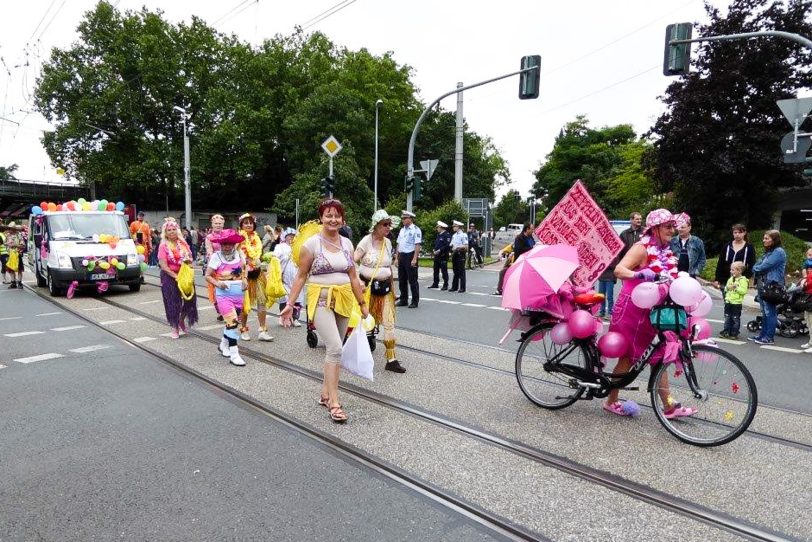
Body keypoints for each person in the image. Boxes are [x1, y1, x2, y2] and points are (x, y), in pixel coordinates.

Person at [280, 199, 370, 423]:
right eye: (328, 215)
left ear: (343, 219)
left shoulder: (347, 244)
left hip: (345, 298)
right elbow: (301, 276)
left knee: (335, 351)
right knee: (335, 348)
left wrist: (362, 303)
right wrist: (289, 305)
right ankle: (335, 402)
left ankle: (325, 394)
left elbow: (352, 275)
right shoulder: (311, 244)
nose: (333, 219)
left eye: (337, 215)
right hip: (320, 299)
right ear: (321, 218)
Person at [603, 209, 696, 419]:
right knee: (628, 357)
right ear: (654, 229)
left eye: (673, 226)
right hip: (631, 309)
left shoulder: (664, 250)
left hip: (652, 309)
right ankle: (611, 401)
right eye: (667, 226)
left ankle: (669, 406)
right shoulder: (642, 247)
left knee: (660, 353)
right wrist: (639, 273)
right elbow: (619, 270)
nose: (672, 230)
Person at [355, 210, 406, 373]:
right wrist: (359, 280)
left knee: (389, 324)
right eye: (385, 224)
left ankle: (391, 360)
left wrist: (393, 289)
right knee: (363, 323)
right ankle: (358, 355)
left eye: (389, 224)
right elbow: (351, 262)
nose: (388, 227)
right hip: (367, 290)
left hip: (385, 290)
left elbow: (388, 268)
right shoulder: (366, 241)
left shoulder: (388, 242)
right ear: (376, 225)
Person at [205, 229, 249, 366]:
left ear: (234, 244)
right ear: (220, 244)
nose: (227, 246)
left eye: (230, 244)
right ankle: (234, 354)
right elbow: (207, 275)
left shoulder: (239, 254)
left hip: (239, 295)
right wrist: (218, 283)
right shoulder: (216, 257)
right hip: (224, 295)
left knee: (232, 323)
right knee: (232, 323)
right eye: (224, 244)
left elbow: (244, 269)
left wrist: (245, 279)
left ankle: (223, 345)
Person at [157, 219, 198, 338]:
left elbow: (190, 259)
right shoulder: (163, 246)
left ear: (177, 230)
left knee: (190, 301)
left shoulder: (183, 244)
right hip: (170, 276)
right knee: (173, 303)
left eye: (173, 229)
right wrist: (176, 276)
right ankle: (175, 327)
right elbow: (163, 266)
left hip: (184, 275)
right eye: (169, 230)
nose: (171, 232)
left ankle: (181, 320)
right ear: (165, 232)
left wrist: (189, 264)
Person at [238, 213, 273, 342]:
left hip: (258, 272)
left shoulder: (257, 238)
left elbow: (258, 255)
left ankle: (263, 330)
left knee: (262, 302)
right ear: (241, 225)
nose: (248, 225)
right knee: (244, 305)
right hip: (244, 274)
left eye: (250, 223)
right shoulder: (238, 238)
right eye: (245, 223)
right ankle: (244, 330)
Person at [749, 230, 787, 346]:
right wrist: (757, 267)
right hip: (763, 285)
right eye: (764, 238)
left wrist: (757, 268)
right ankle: (762, 335)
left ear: (774, 239)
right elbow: (757, 265)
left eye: (767, 238)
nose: (764, 240)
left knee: (770, 312)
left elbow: (764, 266)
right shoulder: (768, 252)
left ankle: (769, 337)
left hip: (772, 285)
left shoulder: (779, 252)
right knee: (765, 312)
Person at [713, 224, 756, 298]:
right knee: (727, 301)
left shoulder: (749, 248)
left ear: (744, 233)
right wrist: (717, 279)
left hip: (740, 281)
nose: (737, 235)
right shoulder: (727, 246)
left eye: (740, 232)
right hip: (725, 280)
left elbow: (752, 264)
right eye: (735, 232)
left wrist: (746, 277)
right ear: (733, 233)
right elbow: (720, 263)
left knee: (736, 303)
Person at [274, 227, 304, 327]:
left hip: (297, 274)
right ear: (285, 237)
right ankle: (284, 317)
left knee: (298, 297)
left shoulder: (299, 247)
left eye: (293, 236)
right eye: (289, 236)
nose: (291, 238)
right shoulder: (280, 246)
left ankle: (295, 318)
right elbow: (275, 258)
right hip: (284, 275)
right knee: (285, 298)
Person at [396, 210, 421, 308]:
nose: (402, 220)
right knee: (402, 279)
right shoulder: (402, 230)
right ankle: (403, 299)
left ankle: (415, 301)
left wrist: (414, 258)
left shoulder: (415, 229)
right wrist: (396, 258)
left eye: (404, 218)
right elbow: (398, 244)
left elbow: (417, 245)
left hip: (410, 255)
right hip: (402, 255)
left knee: (412, 279)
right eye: (402, 218)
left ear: (410, 219)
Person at [669, 214, 706, 278]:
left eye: (682, 227)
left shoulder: (698, 241)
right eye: (679, 227)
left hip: (691, 277)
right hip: (674, 276)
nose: (680, 229)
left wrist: (695, 272)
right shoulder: (671, 241)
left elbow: (702, 259)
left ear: (689, 228)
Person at [205, 214, 226, 321]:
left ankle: (228, 310)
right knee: (215, 290)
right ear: (212, 224)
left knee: (228, 287)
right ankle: (220, 311)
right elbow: (209, 251)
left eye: (220, 223)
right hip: (215, 266)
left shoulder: (227, 234)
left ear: (223, 224)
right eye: (216, 223)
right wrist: (215, 258)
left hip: (227, 265)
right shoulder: (209, 237)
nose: (218, 225)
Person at [720, 261, 748, 339]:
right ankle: (726, 331)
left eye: (733, 270)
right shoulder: (731, 279)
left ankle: (734, 332)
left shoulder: (743, 280)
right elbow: (726, 288)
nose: (731, 271)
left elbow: (743, 291)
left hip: (736, 303)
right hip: (728, 301)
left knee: (735, 318)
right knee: (727, 316)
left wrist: (736, 287)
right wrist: (727, 288)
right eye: (731, 270)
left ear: (739, 271)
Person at [428, 221, 451, 290]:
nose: (437, 228)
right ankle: (435, 283)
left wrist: (439, 250)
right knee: (435, 270)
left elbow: (447, 246)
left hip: (443, 255)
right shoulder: (439, 235)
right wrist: (434, 250)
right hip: (437, 255)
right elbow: (437, 244)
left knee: (444, 271)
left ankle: (445, 284)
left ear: (441, 227)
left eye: (438, 227)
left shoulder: (447, 235)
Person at [2, 222, 24, 289]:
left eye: (11, 229)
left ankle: (20, 283)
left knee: (19, 269)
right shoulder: (7, 235)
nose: (9, 230)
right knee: (11, 269)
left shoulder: (19, 235)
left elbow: (23, 245)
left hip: (17, 254)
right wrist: (7, 244)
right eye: (9, 228)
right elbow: (4, 243)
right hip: (10, 254)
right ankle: (13, 282)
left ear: (14, 229)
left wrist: (15, 245)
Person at [449, 220, 468, 293]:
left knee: (461, 271)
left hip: (460, 253)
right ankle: (454, 286)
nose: (453, 227)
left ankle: (462, 288)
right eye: (453, 226)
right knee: (455, 271)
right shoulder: (454, 235)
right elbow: (451, 244)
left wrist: (459, 248)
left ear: (458, 227)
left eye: (454, 226)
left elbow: (466, 246)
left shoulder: (463, 235)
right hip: (455, 253)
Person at [801, 248, 812, 353]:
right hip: (808, 296)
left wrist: (805, 283)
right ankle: (810, 342)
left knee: (811, 321)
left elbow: (809, 282)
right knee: (807, 319)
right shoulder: (807, 267)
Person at [0, 221, 9, 285]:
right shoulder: (0, 235)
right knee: (4, 266)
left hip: (5, 253)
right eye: (6, 229)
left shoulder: (3, 235)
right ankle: (4, 279)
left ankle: (5, 279)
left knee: (5, 266)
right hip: (2, 253)